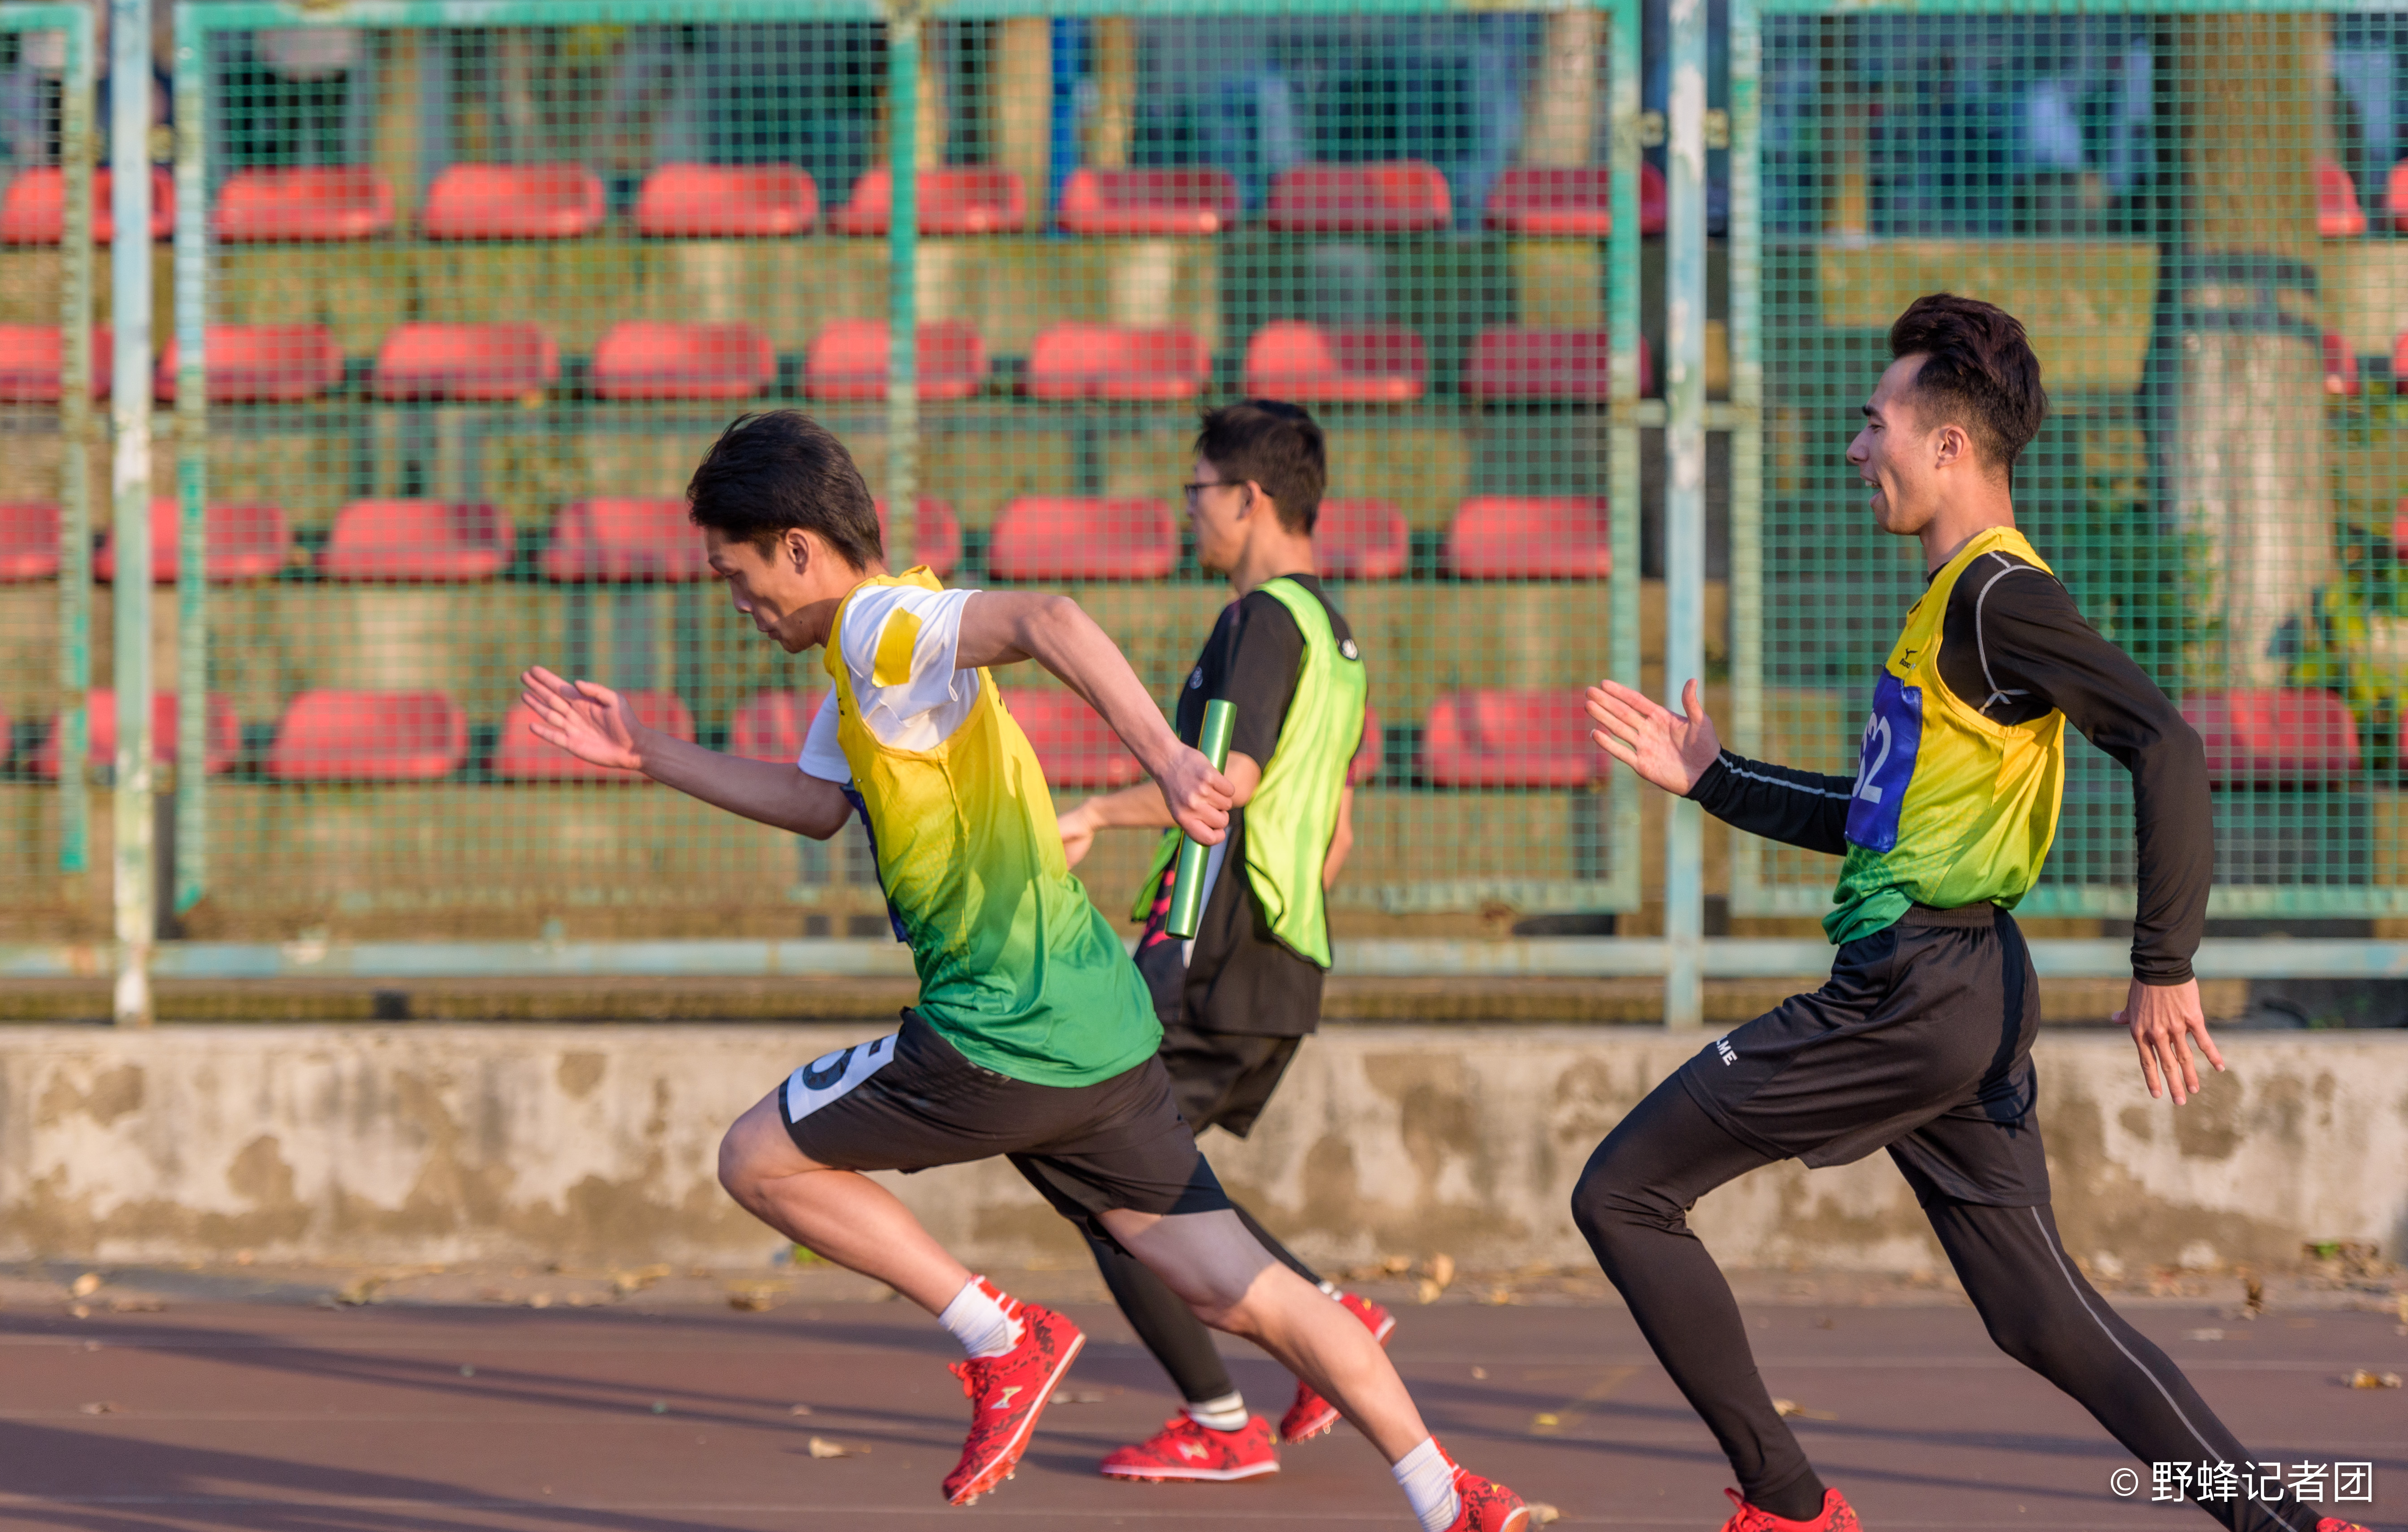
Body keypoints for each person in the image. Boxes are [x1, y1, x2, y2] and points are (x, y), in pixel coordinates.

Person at [518, 410, 1529, 1532]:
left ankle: (1004, 1337)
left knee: (757, 1158)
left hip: (1000, 1028)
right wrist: (646, 752)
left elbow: (1050, 618)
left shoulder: (882, 626)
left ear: (797, 548)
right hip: (1100, 1031)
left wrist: (1170, 758)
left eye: (736, 575)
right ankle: (1450, 1493)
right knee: (1244, 1290)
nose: (737, 603)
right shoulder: (867, 656)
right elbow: (814, 805)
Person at [1574, 295, 2376, 1532]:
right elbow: (1880, 821)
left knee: (1624, 1191)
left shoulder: (1999, 596)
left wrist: (2165, 962)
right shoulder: (1957, 600)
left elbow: (2165, 742)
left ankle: (1790, 1505)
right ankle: (2289, 1524)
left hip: (1917, 990)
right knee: (2041, 1315)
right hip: (1959, 989)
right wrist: (1716, 777)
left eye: (1874, 423)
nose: (1857, 448)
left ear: (1948, 444)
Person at [1055, 400, 1384, 1483]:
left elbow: (1223, 784)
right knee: (1161, 1181)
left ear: (1249, 498)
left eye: (1196, 490)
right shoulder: (1335, 636)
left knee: (1110, 1185)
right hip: (1281, 951)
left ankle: (1222, 1416)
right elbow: (1334, 836)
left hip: (1217, 946)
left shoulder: (1260, 623)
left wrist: (1092, 814)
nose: (1187, 510)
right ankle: (1330, 1318)